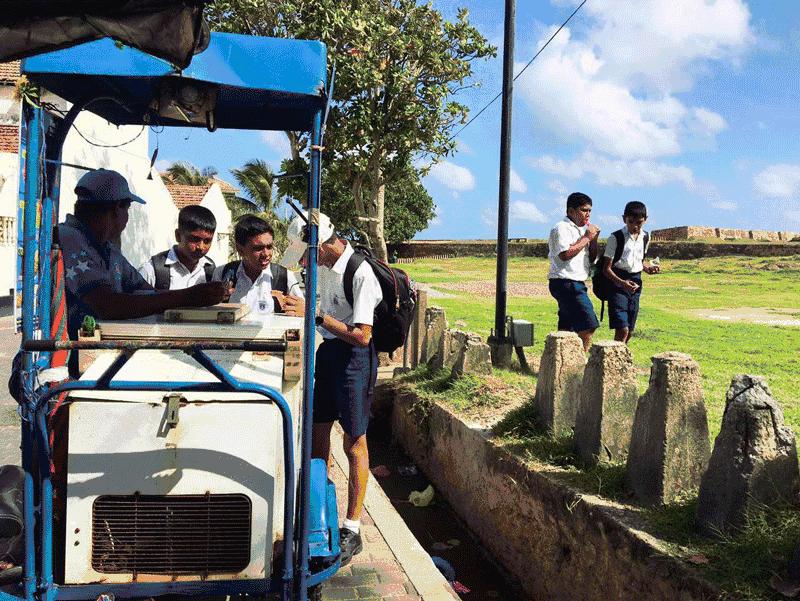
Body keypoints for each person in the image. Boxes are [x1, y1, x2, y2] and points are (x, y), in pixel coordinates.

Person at [279, 212, 382, 566]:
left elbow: (362, 335)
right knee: (316, 431)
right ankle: (314, 505)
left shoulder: (361, 273)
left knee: (354, 440)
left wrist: (316, 316)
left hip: (356, 360)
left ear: (321, 245)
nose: (305, 261)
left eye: (307, 254)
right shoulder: (322, 269)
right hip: (328, 353)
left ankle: (352, 525)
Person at [58, 169, 229, 372]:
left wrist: (197, 297)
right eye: (127, 209)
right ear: (117, 209)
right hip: (67, 364)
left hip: (101, 361)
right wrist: (189, 297)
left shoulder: (107, 249)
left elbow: (144, 290)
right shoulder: (70, 239)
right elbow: (106, 305)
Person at [212, 215, 301, 314]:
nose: (266, 254)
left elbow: (302, 312)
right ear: (240, 249)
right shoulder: (222, 274)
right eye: (258, 248)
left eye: (269, 247)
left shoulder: (284, 277)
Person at [547, 192, 601, 352]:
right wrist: (586, 238)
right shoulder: (561, 228)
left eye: (590, 210)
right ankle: (579, 363)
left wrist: (593, 240)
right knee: (588, 325)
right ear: (571, 211)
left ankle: (557, 362)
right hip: (565, 281)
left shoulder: (582, 230)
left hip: (576, 281)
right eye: (584, 210)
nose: (588, 214)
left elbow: (592, 258)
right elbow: (564, 255)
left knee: (566, 328)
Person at [602, 201, 660, 344]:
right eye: (631, 222)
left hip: (636, 283)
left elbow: (640, 261)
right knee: (622, 328)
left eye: (639, 223)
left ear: (645, 220)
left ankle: (620, 358)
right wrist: (622, 283)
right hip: (617, 283)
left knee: (630, 329)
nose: (635, 226)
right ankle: (613, 360)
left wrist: (648, 268)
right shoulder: (615, 238)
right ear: (624, 219)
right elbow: (606, 268)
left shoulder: (645, 237)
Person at [139, 205, 217, 290]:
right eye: (194, 239)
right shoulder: (151, 271)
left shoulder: (211, 271)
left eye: (207, 241)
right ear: (178, 235)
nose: (201, 247)